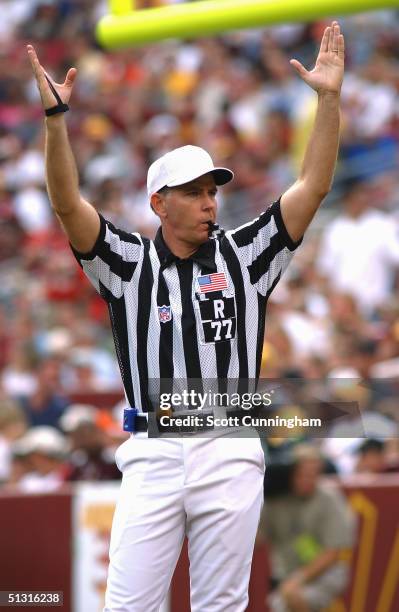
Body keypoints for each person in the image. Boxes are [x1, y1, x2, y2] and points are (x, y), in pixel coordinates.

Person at [27, 21, 344, 612]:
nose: (209, 202)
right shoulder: (125, 262)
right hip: (151, 449)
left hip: (228, 444)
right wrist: (55, 124)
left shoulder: (245, 254)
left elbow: (314, 186)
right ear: (158, 203)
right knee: (126, 605)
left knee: (220, 606)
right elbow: (67, 204)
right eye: (194, 192)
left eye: (212, 191)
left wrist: (328, 100)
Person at [258, 445, 355, 612]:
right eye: (302, 474)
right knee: (281, 603)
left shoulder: (329, 499)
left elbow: (332, 553)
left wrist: (297, 580)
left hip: (325, 573)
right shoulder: (277, 499)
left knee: (291, 601)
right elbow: (258, 539)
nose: (307, 480)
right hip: (285, 573)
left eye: (314, 474)